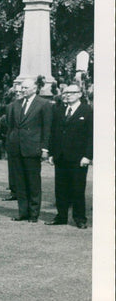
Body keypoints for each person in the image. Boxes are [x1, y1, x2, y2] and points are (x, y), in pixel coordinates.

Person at [6, 77, 53, 222]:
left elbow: (47, 128)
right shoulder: (15, 104)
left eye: (25, 87)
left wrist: (45, 149)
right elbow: (11, 127)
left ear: (34, 88)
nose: (22, 90)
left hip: (32, 148)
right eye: (21, 87)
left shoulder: (43, 104)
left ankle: (33, 214)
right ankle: (23, 212)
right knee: (20, 182)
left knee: (33, 182)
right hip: (16, 148)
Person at [47, 84, 92, 228]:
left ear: (80, 94)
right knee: (60, 189)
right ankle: (61, 216)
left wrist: (88, 156)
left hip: (78, 158)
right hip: (60, 156)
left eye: (72, 93)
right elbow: (54, 133)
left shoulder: (87, 111)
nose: (68, 95)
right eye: (66, 93)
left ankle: (80, 218)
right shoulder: (59, 110)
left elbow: (91, 136)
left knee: (77, 189)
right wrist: (52, 153)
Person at [2, 84, 24, 201]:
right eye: (17, 92)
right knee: (13, 167)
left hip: (27, 143)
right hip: (14, 141)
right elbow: (9, 127)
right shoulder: (10, 106)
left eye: (21, 91)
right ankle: (14, 191)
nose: (19, 93)